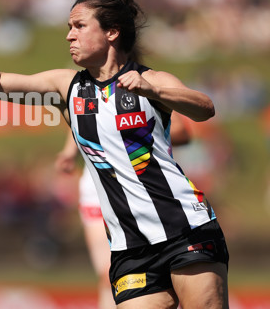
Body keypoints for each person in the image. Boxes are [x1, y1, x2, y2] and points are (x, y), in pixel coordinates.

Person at [0, 0, 229, 308]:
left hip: (186, 228)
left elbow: (205, 109)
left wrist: (156, 90)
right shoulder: (65, 86)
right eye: (69, 26)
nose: (70, 35)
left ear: (111, 32)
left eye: (80, 26)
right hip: (130, 247)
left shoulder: (152, 79)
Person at [55, 111, 191, 309]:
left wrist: (129, 132)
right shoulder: (83, 85)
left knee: (157, 275)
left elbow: (182, 133)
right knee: (108, 274)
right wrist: (70, 150)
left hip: (145, 192)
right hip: (98, 190)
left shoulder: (144, 85)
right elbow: (78, 114)